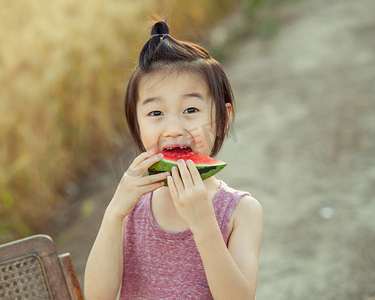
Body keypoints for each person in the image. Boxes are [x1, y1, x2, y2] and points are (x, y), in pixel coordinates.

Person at [85, 20, 263, 300]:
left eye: (191, 109)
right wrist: (114, 214)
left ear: (224, 118)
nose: (173, 129)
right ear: (136, 123)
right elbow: (97, 296)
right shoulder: (131, 208)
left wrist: (204, 225)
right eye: (155, 113)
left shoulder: (241, 212)